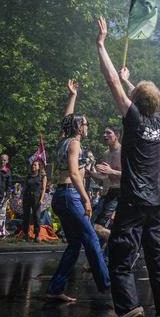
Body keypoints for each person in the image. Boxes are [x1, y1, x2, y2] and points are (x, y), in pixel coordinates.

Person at [96, 17, 160, 317]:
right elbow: (135, 95)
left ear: (137, 103)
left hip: (133, 200)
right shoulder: (157, 123)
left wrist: (101, 45)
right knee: (157, 260)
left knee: (120, 260)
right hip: (156, 203)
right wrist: (132, 83)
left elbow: (113, 84)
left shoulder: (133, 119)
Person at [45, 79, 110, 302]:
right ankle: (108, 284)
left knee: (74, 244)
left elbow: (65, 121)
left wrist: (72, 96)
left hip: (60, 197)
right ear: (79, 127)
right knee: (91, 238)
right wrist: (86, 199)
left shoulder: (62, 140)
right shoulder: (74, 144)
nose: (88, 127)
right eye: (86, 124)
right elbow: (74, 173)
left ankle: (55, 289)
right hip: (71, 194)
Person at [90, 126, 122, 246]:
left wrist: (111, 171)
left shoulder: (124, 152)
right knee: (95, 226)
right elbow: (105, 177)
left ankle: (120, 244)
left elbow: (131, 176)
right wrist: (92, 174)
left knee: (99, 226)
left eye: (108, 133)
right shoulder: (106, 153)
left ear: (117, 136)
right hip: (109, 193)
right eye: (104, 132)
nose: (104, 135)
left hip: (122, 193)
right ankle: (103, 258)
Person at [21, 160, 47, 242]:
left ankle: (37, 235)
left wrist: (41, 199)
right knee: (26, 216)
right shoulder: (28, 176)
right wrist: (21, 198)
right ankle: (26, 234)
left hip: (36, 197)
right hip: (27, 196)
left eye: (35, 165)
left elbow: (43, 189)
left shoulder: (42, 176)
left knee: (36, 216)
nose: (33, 166)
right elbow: (24, 188)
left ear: (39, 167)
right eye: (33, 165)